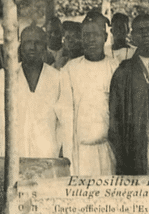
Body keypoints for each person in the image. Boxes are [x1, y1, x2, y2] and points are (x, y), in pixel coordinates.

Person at [0, 24, 73, 159]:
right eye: (28, 42)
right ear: (20, 45)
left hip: (47, 158)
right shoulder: (3, 77)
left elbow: (65, 123)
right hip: (13, 159)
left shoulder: (58, 78)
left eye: (37, 43)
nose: (32, 47)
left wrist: (62, 154)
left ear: (45, 46)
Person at [109, 14, 149, 175]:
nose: (145, 34)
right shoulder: (124, 71)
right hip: (135, 151)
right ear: (132, 36)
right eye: (139, 31)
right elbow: (115, 120)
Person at [61, 11, 118, 176]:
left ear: (105, 37)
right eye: (86, 35)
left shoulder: (115, 68)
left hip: (108, 151)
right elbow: (66, 116)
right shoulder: (70, 70)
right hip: (80, 153)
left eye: (95, 34)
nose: (91, 39)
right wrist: (69, 155)